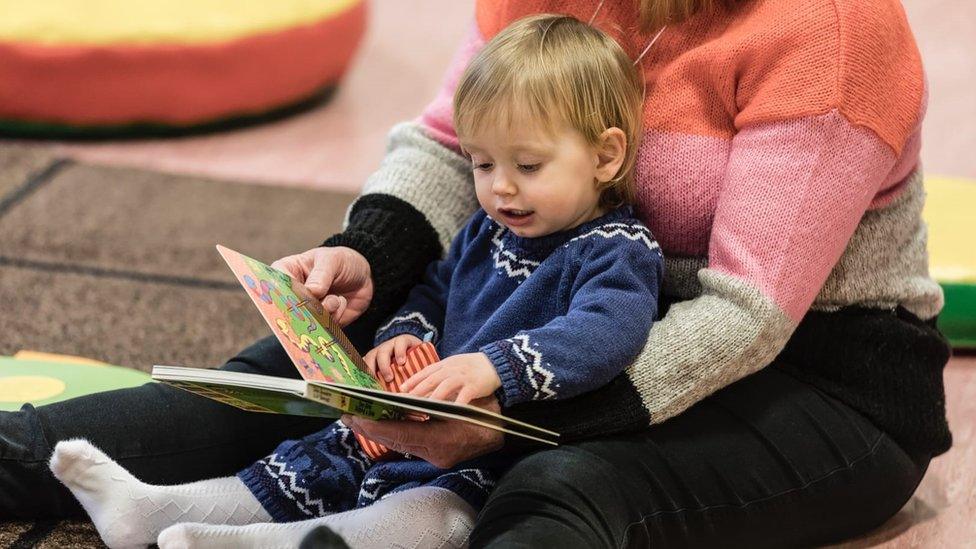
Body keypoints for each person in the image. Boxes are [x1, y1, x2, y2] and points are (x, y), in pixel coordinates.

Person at [0, 0, 951, 547]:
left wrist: (505, 421)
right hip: (527, 318)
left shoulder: (832, 34)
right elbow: (455, 142)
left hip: (808, 377)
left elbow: (747, 315)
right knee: (281, 389)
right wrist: (369, 256)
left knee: (558, 488)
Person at [46, 14, 664, 549]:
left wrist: (494, 368)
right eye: (482, 163)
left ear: (606, 157)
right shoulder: (488, 229)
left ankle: (241, 542)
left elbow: (605, 332)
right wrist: (404, 336)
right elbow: (436, 289)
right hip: (416, 423)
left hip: (498, 455)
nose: (500, 186)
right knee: (306, 463)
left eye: (527, 166)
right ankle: (153, 509)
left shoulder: (619, 251)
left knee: (436, 519)